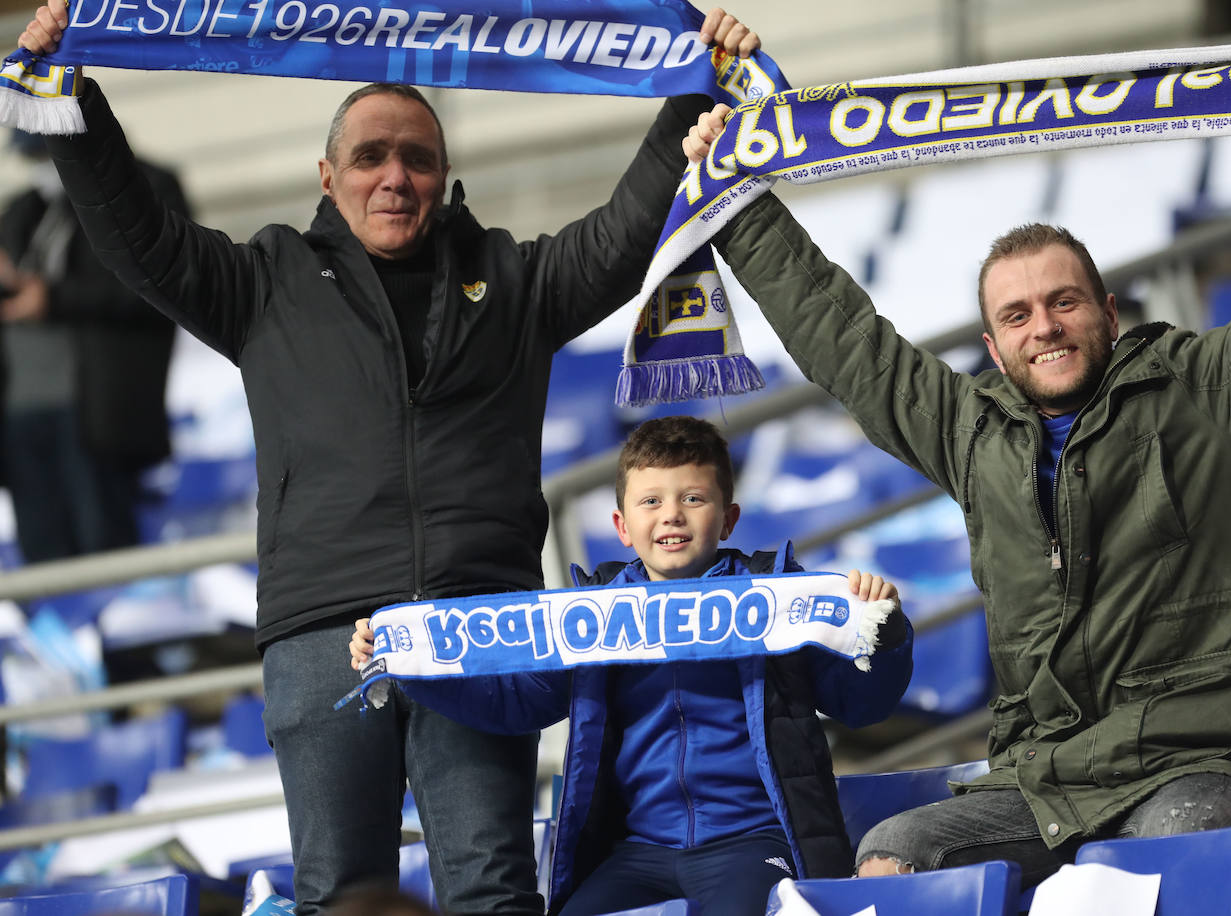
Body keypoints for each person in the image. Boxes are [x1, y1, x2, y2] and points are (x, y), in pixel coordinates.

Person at [16, 4, 761, 913]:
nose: (394, 176)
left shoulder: (515, 282)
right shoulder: (261, 282)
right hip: (321, 638)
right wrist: (72, 99)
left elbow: (620, 233)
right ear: (327, 177)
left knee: (493, 891)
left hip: (481, 632)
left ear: (446, 176)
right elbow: (136, 234)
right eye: (370, 157)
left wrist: (693, 79)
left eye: (416, 158)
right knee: (341, 900)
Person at [681, 25, 1231, 888]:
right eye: (1017, 316)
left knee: (1149, 861)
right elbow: (846, 341)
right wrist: (738, 208)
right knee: (895, 857)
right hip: (1045, 777)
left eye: (1064, 302)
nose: (1043, 326)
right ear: (993, 343)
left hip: (1206, 765)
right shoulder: (969, 433)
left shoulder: (1211, 390)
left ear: (1109, 313)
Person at [350, 415, 915, 916]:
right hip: (638, 853)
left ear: (728, 518)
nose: (671, 514)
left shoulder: (779, 596)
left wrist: (883, 630)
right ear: (622, 526)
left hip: (753, 842)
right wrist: (409, 665)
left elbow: (863, 705)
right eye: (650, 502)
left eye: (693, 498)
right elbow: (517, 702)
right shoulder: (590, 616)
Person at [0, 129, 185, 563]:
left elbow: (157, 285)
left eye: (45, 154)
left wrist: (55, 298)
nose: (41, 168)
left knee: (106, 548)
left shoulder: (144, 187)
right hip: (21, 412)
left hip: (97, 411)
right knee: (43, 555)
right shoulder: (23, 211)